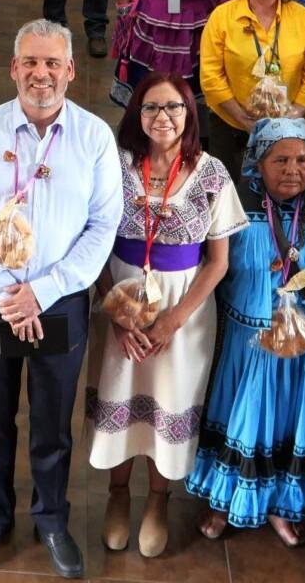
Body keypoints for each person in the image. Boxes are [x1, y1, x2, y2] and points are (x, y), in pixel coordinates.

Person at [0, 18, 120, 574]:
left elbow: (102, 227)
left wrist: (40, 293)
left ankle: (51, 518)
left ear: (70, 70)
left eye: (52, 63)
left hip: (60, 300)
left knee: (52, 419)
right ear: (13, 69)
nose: (40, 74)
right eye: (30, 62)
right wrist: (8, 292)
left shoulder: (95, 136)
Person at [87, 72, 244, 557]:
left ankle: (157, 500)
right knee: (121, 389)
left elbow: (218, 262)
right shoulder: (113, 166)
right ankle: (117, 495)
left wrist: (172, 321)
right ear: (137, 113)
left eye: (174, 108)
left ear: (189, 114)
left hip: (184, 309)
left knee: (169, 397)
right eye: (152, 107)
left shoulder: (212, 173)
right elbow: (91, 242)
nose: (163, 117)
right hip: (121, 300)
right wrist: (117, 312)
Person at [188, 118, 305, 544]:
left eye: (302, 159)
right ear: (258, 163)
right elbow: (212, 270)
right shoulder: (234, 204)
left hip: (304, 348)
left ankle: (283, 506)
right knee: (244, 420)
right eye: (280, 160)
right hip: (245, 346)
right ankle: (226, 500)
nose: (293, 169)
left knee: (289, 425)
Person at [200, 0, 305, 177]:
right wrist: (244, 120)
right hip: (232, 126)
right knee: (231, 197)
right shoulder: (222, 16)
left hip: (289, 128)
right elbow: (210, 76)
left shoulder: (303, 17)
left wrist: (292, 117)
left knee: (283, 190)